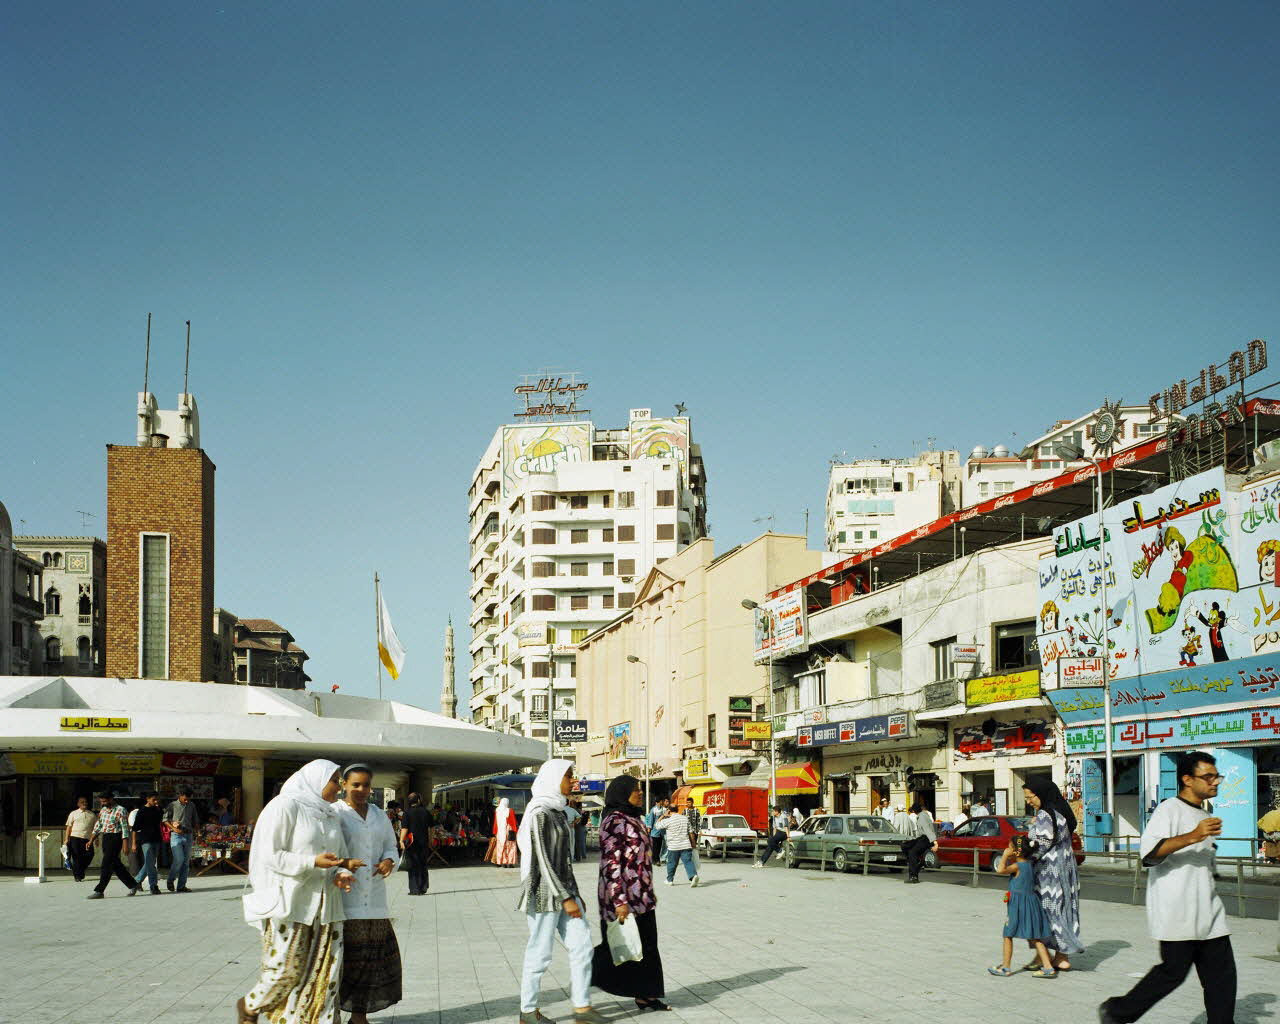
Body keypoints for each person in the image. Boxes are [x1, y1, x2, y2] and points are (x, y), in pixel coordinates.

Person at [1099, 752, 1235, 1024]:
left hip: (1209, 912)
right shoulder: (1169, 809)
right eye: (1207, 776)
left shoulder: (1204, 812)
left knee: (1222, 979)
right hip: (1177, 911)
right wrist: (1194, 835)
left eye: (1216, 776)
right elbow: (1149, 854)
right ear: (1187, 779)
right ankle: (1117, 1011)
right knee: (1172, 973)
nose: (1215, 782)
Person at [236, 759, 362, 1024]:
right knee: (286, 970)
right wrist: (310, 862)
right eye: (335, 780)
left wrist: (342, 873)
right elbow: (269, 854)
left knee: (326, 973)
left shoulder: (329, 813)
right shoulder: (285, 806)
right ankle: (250, 1005)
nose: (339, 788)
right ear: (316, 780)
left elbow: (339, 857)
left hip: (328, 906)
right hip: (292, 903)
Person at [514, 759, 606, 1024]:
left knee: (582, 946)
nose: (572, 782)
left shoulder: (557, 811)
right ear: (554, 779)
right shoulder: (539, 813)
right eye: (568, 777)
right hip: (543, 892)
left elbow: (564, 860)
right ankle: (528, 1011)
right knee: (540, 952)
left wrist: (575, 895)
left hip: (565, 891)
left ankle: (582, 1008)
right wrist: (566, 898)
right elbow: (542, 860)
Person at [592, 775, 670, 1012]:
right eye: (635, 790)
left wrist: (648, 891)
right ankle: (586, 971)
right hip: (623, 898)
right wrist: (619, 901)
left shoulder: (633, 818)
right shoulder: (614, 821)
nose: (640, 793)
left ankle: (646, 995)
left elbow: (641, 859)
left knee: (646, 946)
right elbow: (611, 864)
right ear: (621, 792)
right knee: (619, 947)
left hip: (642, 897)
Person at [336, 764, 402, 1024]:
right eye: (356, 785)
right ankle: (334, 1016)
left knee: (370, 961)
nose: (362, 790)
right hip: (344, 900)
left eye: (366, 785)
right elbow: (325, 850)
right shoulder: (335, 813)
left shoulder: (378, 814)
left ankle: (359, 1017)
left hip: (374, 902)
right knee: (345, 962)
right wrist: (341, 866)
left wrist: (388, 861)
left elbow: (391, 847)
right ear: (344, 785)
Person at [1024, 778, 1084, 970]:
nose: (1028, 801)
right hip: (1066, 870)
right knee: (1064, 910)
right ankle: (1062, 956)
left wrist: (1025, 859)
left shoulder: (1043, 815)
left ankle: (1043, 956)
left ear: (1041, 794)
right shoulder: (1061, 814)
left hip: (1047, 873)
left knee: (1040, 912)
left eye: (1030, 797)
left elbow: (1041, 845)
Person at [987, 835, 1056, 978]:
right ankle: (1048, 967)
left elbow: (1000, 870)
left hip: (1018, 905)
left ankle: (1006, 967)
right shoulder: (1029, 864)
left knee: (1007, 934)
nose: (1007, 848)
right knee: (1035, 936)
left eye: (1009, 846)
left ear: (1016, 852)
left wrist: (1005, 856)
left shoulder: (1017, 866)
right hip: (1031, 904)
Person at [86, 791, 138, 898]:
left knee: (106, 864)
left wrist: (125, 844)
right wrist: (91, 840)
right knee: (115, 865)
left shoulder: (120, 810)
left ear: (111, 799)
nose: (103, 803)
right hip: (106, 837)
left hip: (116, 838)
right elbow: (98, 826)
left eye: (105, 801)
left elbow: (124, 828)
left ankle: (99, 891)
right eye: (101, 802)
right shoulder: (103, 810)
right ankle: (133, 884)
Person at [165, 787, 200, 892]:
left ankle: (181, 886)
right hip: (176, 836)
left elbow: (195, 820)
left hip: (188, 835)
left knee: (185, 862)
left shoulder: (192, 805)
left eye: (188, 799)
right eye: (185, 799)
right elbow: (165, 819)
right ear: (180, 796)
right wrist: (174, 828)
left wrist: (197, 831)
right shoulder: (172, 805)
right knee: (179, 859)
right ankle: (170, 879)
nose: (187, 801)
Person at [653, 805, 697, 886]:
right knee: (688, 862)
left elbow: (657, 825)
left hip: (673, 846)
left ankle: (669, 880)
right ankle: (693, 876)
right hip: (686, 845)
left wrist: (663, 815)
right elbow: (691, 832)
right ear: (677, 810)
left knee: (672, 864)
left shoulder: (668, 820)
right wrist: (693, 843)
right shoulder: (685, 818)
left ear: (669, 811)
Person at [132, 791, 165, 895]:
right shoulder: (141, 811)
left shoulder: (158, 809)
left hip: (157, 839)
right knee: (151, 864)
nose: (156, 801)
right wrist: (133, 843)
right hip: (146, 840)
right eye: (153, 799)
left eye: (157, 799)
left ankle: (136, 881)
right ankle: (153, 886)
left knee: (149, 863)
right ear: (147, 799)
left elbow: (163, 820)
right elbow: (135, 828)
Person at [400, 792, 433, 895]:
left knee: (414, 865)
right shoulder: (426, 812)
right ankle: (423, 887)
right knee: (423, 864)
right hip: (424, 842)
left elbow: (404, 828)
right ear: (418, 800)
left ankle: (415, 889)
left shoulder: (407, 813)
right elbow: (431, 828)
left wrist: (401, 840)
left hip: (411, 843)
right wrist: (430, 840)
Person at [63, 795, 96, 882]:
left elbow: (95, 828)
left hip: (87, 839)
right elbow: (69, 827)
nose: (84, 804)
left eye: (85, 802)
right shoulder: (73, 813)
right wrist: (66, 839)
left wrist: (96, 839)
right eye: (82, 802)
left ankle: (80, 871)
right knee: (76, 857)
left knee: (90, 855)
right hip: (75, 838)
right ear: (78, 804)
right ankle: (77, 876)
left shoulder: (92, 814)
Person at [905, 800, 936, 883]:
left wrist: (934, 842)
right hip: (922, 838)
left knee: (912, 853)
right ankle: (917, 862)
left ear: (914, 811)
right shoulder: (923, 815)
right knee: (905, 846)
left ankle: (913, 876)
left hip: (926, 838)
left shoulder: (922, 817)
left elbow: (927, 829)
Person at [644, 798, 667, 865]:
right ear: (657, 803)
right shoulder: (653, 810)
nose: (660, 803)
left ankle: (656, 859)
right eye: (659, 802)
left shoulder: (664, 809)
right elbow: (651, 820)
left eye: (661, 802)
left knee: (659, 846)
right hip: (654, 831)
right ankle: (656, 860)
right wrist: (649, 829)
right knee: (655, 847)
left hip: (661, 831)